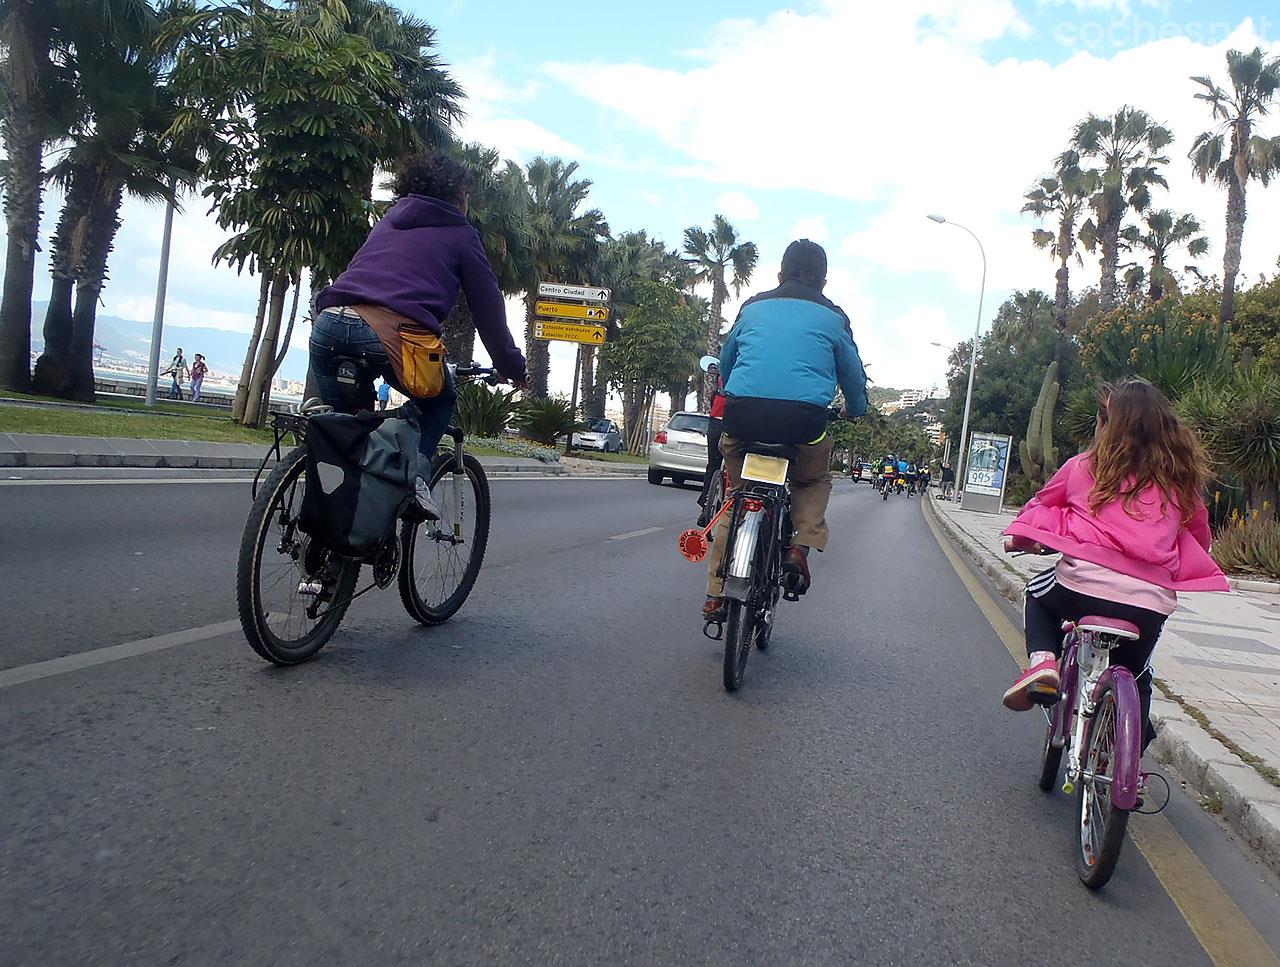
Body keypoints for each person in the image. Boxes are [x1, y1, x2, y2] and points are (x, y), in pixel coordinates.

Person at [1000, 379, 1229, 754]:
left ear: (1107, 424)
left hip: (1080, 588)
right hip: (1148, 604)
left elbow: (1042, 504)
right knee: (1138, 675)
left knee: (1037, 596)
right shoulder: (1179, 481)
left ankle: (1043, 664)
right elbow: (1200, 536)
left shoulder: (1083, 467)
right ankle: (1130, 765)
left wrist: (1023, 538)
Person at [312, 152, 527, 518]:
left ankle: (333, 551)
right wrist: (512, 366)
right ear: (459, 194)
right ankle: (416, 481)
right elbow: (489, 310)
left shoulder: (388, 222)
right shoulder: (461, 234)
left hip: (329, 322)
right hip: (390, 337)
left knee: (345, 435)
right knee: (440, 399)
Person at [702, 239, 868, 621]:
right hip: (804, 423)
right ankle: (799, 548)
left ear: (779, 274)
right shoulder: (833, 317)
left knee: (737, 498)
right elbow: (853, 376)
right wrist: (855, 409)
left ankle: (714, 593)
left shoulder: (753, 306)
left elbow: (727, 359)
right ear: (824, 281)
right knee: (810, 482)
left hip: (743, 418)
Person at [696, 357, 726, 527]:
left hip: (717, 421)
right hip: (738, 423)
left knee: (713, 465)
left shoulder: (723, 370)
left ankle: (706, 504)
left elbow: (712, 399)